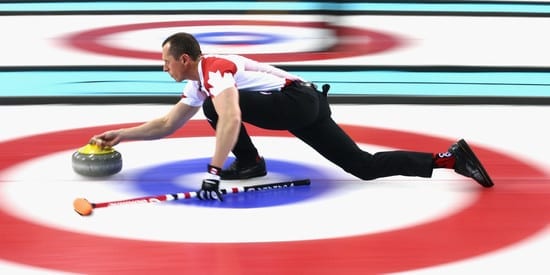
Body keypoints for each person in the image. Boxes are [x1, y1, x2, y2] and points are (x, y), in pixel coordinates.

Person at [90, 32, 494, 201]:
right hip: (307, 103)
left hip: (296, 101)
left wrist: (214, 170)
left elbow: (229, 117)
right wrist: (122, 134)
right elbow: (166, 124)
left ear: (183, 58)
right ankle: (451, 158)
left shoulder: (213, 70)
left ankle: (248, 165)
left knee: (218, 108)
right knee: (363, 167)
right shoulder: (199, 81)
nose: (163, 68)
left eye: (165, 62)